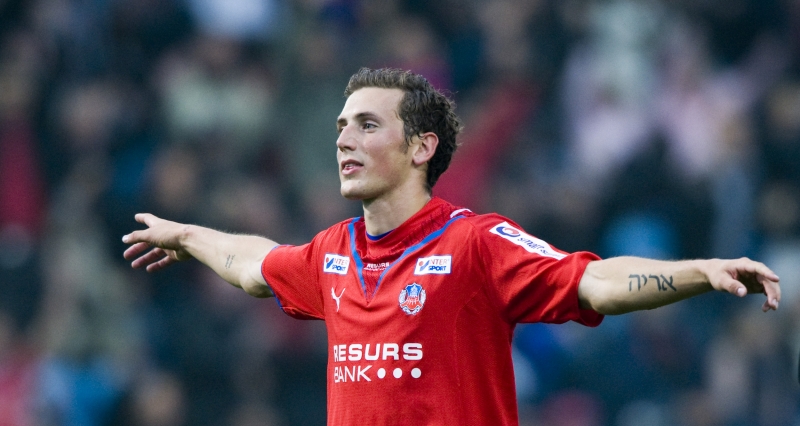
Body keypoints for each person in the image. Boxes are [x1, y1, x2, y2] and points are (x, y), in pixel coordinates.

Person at [122, 68, 781, 425]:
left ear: (421, 147)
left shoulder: (475, 242)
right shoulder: (332, 251)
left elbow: (597, 283)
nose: (344, 140)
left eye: (367, 125)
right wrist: (188, 235)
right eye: (342, 126)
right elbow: (253, 266)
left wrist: (699, 271)